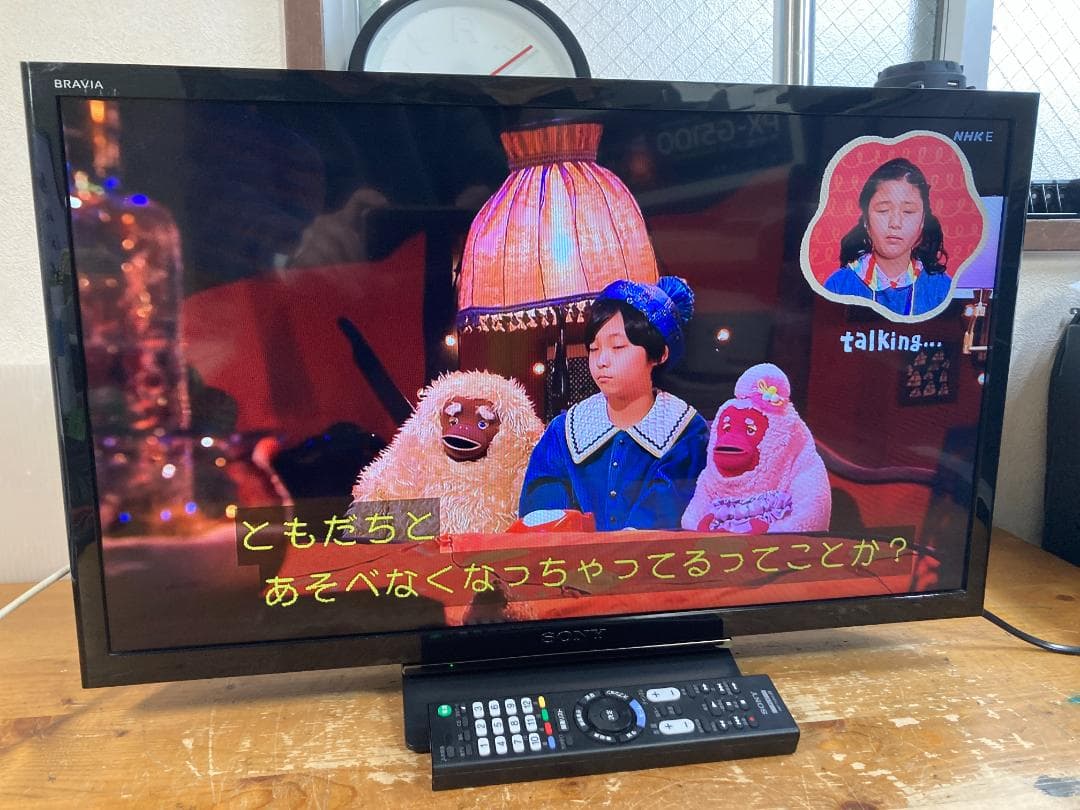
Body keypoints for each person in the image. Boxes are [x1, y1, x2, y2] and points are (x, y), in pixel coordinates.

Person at [518, 276, 708, 531]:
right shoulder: (564, 431)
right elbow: (542, 509)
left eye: (618, 347)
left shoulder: (685, 431)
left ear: (659, 354)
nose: (601, 361)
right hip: (575, 557)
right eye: (594, 348)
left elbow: (666, 511)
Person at [824, 158, 952, 317]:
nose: (895, 223)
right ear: (866, 220)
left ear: (922, 221)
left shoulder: (942, 288)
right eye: (883, 210)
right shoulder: (838, 285)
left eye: (908, 211)